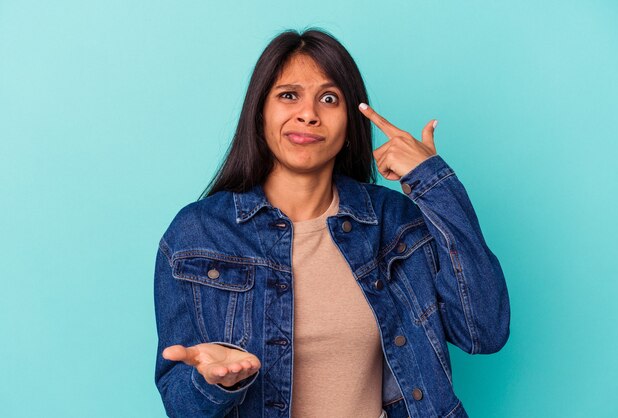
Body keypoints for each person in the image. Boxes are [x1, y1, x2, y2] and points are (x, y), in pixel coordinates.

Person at [153, 28, 510, 418]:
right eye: (289, 95)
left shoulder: (394, 222)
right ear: (260, 113)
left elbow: (484, 332)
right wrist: (213, 383)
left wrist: (433, 183)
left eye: (328, 98)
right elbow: (180, 405)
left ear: (349, 124)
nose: (308, 114)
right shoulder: (198, 233)